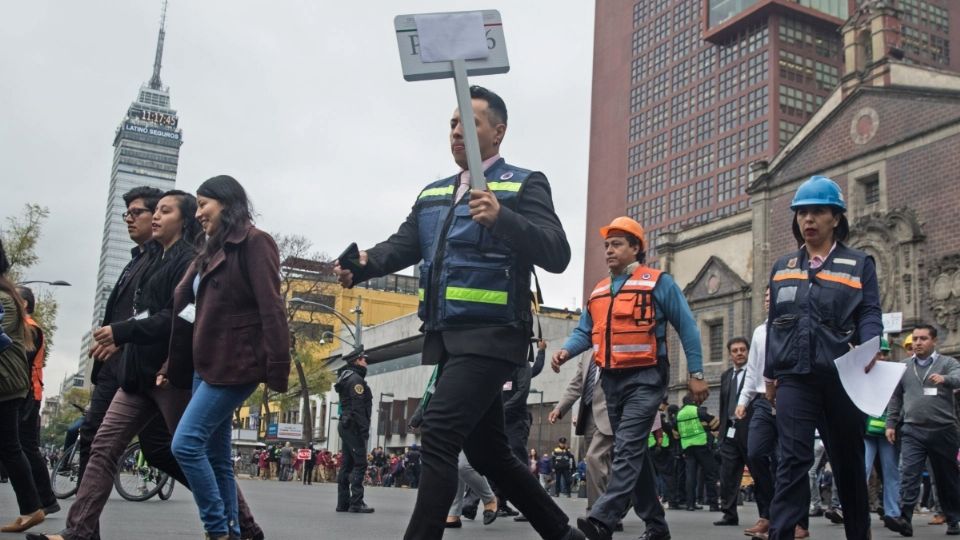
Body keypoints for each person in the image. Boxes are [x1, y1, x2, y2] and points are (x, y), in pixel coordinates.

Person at [334, 85, 580, 540]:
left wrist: (503, 217)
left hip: (493, 338)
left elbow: (558, 253)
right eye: (451, 123)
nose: (455, 132)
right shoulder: (433, 194)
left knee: (440, 435)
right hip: (447, 339)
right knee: (489, 453)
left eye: (468, 123)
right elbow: (402, 246)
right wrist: (361, 264)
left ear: (498, 132)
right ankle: (563, 534)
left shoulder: (523, 183)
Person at [29, 190, 264, 540]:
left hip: (169, 376)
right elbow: (143, 312)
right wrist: (121, 340)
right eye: (153, 211)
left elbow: (177, 318)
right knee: (103, 447)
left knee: (191, 450)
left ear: (183, 220)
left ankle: (243, 526)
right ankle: (78, 531)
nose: (154, 217)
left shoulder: (189, 259)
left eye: (164, 211)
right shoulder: (151, 258)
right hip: (136, 376)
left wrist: (124, 334)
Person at [554, 215, 707, 540]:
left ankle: (602, 520)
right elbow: (585, 330)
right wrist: (566, 351)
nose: (609, 250)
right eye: (607, 245)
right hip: (611, 383)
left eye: (617, 244)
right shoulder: (598, 291)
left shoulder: (657, 283)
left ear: (636, 248)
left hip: (646, 379)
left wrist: (696, 373)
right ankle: (657, 526)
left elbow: (688, 325)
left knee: (626, 447)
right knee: (633, 451)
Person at [164, 176, 291, 540]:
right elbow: (186, 305)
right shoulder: (210, 249)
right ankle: (232, 532)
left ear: (227, 203)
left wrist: (277, 368)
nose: (198, 212)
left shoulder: (255, 243)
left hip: (236, 364)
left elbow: (272, 308)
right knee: (218, 458)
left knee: (185, 444)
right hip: (205, 364)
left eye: (204, 204)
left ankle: (216, 531)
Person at [763, 175, 882, 540]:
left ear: (836, 218)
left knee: (847, 463)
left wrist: (872, 344)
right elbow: (774, 324)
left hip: (840, 377)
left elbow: (869, 312)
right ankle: (781, 533)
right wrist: (770, 376)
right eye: (802, 213)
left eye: (817, 212)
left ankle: (857, 533)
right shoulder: (782, 267)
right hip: (795, 377)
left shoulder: (858, 263)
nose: (808, 220)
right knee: (792, 460)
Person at [886, 325, 960, 536]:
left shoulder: (947, 363)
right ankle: (905, 518)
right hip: (912, 429)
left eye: (923, 339)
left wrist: (945, 379)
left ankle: (953, 518)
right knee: (908, 473)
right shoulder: (903, 366)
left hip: (943, 429)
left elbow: (959, 376)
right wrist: (891, 424)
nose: (918, 342)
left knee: (947, 477)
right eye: (915, 339)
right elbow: (896, 397)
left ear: (934, 341)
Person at [0, 239, 45, 533]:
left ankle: (33, 507)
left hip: (4, 381)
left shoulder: (4, 298)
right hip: (10, 382)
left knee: (11, 447)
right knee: (10, 447)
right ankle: (32, 507)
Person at [735, 287, 783, 537]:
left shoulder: (793, 327)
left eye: (771, 295)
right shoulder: (760, 332)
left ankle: (793, 520)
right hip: (762, 400)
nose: (767, 300)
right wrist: (744, 400)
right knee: (754, 453)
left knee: (786, 460)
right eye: (764, 296)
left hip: (788, 398)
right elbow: (753, 369)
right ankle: (768, 513)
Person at [550, 342, 613, 512]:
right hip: (589, 415)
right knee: (598, 463)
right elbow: (577, 383)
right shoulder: (587, 354)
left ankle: (601, 512)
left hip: (610, 412)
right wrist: (559, 408)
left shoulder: (615, 342)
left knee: (596, 458)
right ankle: (605, 507)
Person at [15, 286, 59, 517]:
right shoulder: (23, 328)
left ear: (23, 304)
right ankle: (45, 499)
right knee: (23, 446)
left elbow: (21, 362)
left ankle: (45, 499)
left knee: (26, 446)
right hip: (26, 393)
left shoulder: (29, 329)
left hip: (28, 395)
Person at [861, 339, 905, 533]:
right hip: (866, 431)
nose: (882, 357)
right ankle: (856, 510)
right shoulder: (862, 374)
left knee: (891, 472)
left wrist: (893, 424)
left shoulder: (896, 374)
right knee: (862, 469)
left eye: (884, 353)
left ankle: (893, 512)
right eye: (879, 353)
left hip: (888, 431)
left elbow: (899, 402)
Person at [715, 337, 751, 526]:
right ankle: (729, 514)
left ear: (748, 352)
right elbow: (723, 406)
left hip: (750, 431)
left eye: (742, 349)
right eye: (735, 350)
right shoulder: (726, 376)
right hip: (730, 432)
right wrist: (721, 434)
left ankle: (767, 514)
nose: (739, 353)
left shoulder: (754, 374)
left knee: (759, 473)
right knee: (728, 476)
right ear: (730, 354)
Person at [334, 352, 374, 513]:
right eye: (364, 359)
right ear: (357, 361)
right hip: (353, 426)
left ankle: (343, 503)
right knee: (360, 464)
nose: (366, 362)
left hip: (346, 424)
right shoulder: (356, 380)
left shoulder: (346, 377)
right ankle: (356, 502)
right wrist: (364, 430)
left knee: (347, 465)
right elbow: (358, 407)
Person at [677, 394, 720, 512]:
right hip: (701, 445)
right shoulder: (698, 410)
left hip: (687, 447)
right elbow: (715, 423)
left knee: (690, 476)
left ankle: (690, 504)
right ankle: (713, 504)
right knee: (710, 474)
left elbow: (676, 433)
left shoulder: (679, 414)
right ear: (693, 401)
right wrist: (708, 429)